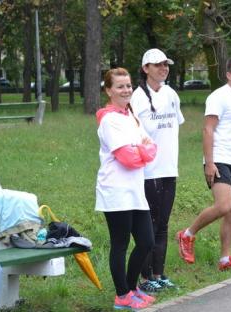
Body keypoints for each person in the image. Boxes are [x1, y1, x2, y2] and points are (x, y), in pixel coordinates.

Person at [176, 57, 231, 270]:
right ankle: (187, 235)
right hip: (219, 159)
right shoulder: (219, 97)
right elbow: (208, 129)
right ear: (229, 75)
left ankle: (225, 259)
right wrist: (210, 162)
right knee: (224, 205)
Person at [95, 68, 157, 310]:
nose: (126, 90)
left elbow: (151, 147)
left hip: (134, 190)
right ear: (109, 90)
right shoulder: (109, 120)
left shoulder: (131, 115)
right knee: (120, 244)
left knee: (146, 241)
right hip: (115, 190)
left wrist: (140, 151)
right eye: (120, 86)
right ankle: (122, 296)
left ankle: (132, 288)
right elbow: (128, 158)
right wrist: (141, 151)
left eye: (129, 85)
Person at [130, 48, 184, 292]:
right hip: (148, 171)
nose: (163, 68)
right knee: (149, 225)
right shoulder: (138, 97)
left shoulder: (172, 94)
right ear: (145, 69)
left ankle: (159, 273)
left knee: (163, 223)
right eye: (157, 65)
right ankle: (145, 276)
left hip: (168, 169)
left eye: (165, 64)